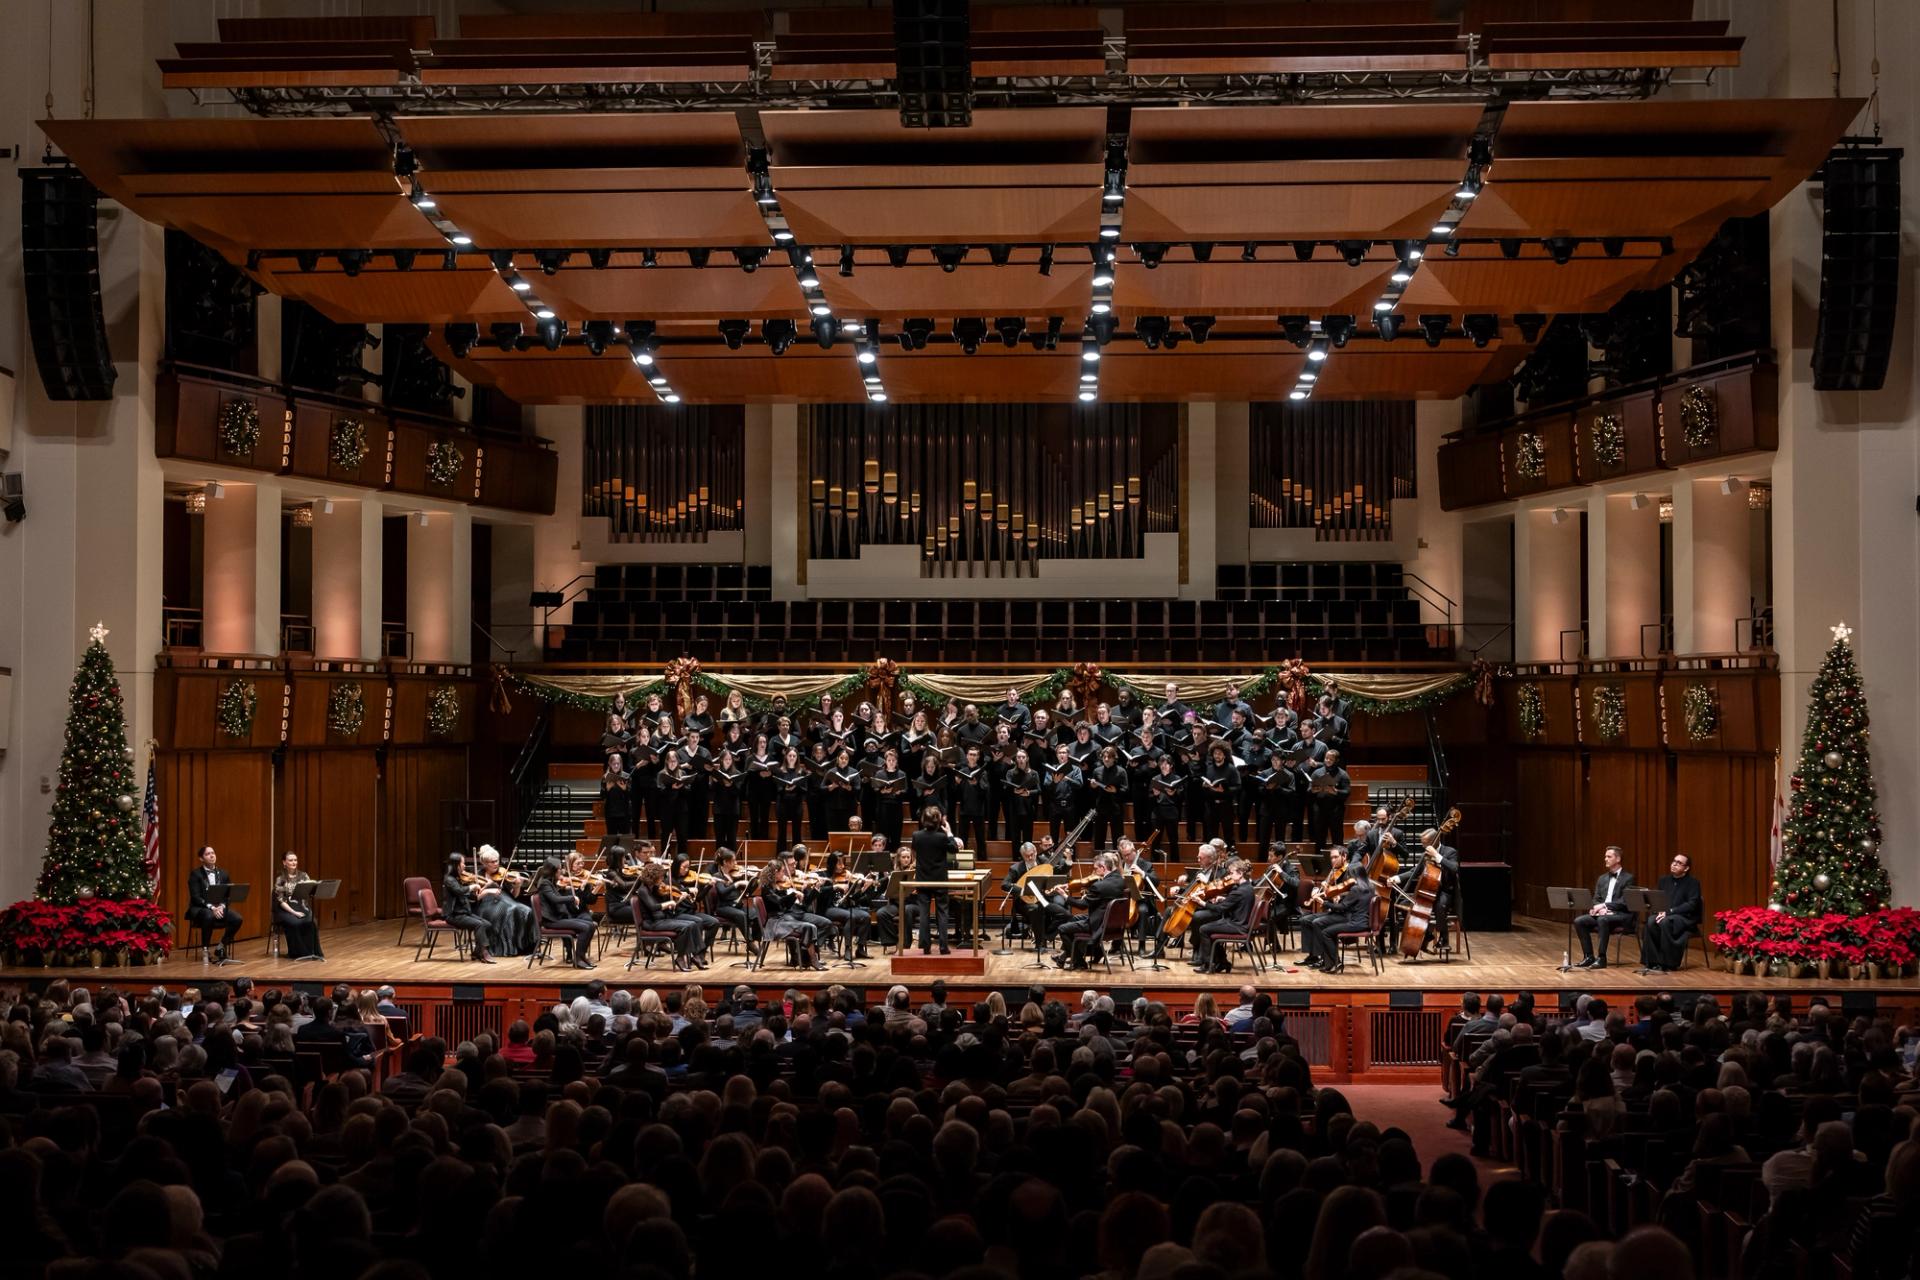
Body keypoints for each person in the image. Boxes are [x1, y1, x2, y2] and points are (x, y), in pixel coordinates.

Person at [1050, 852, 1128, 970]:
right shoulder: (1120, 880)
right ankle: (1066, 956)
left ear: (1103, 868)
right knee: (1075, 919)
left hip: (1099, 925)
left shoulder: (1099, 886)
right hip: (1112, 925)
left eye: (1096, 868)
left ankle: (1079, 961)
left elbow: (1081, 905)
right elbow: (1102, 894)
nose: (1094, 871)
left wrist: (1065, 896)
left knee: (1063, 929)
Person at [1394, 826, 1460, 955]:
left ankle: (1443, 938)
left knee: (1440, 906)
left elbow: (1454, 868)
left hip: (1445, 891)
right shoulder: (1425, 854)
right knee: (1403, 905)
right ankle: (1426, 934)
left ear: (1435, 841)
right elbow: (1415, 871)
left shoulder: (1450, 852)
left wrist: (1437, 856)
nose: (1424, 847)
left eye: (1426, 844)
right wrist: (1397, 878)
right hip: (1428, 891)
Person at [632, 863, 703, 971]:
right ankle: (681, 958)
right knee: (686, 927)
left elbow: (668, 903)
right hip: (651, 923)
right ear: (654, 877)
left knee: (693, 924)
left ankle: (695, 955)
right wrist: (668, 903)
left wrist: (677, 900)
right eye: (660, 876)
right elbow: (653, 907)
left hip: (662, 919)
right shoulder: (643, 890)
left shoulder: (654, 889)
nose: (662, 879)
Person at [1639, 852, 1702, 974]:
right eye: (1674, 861)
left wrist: (1670, 911)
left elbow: (1692, 904)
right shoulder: (1664, 880)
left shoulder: (1693, 883)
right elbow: (1658, 899)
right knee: (1651, 921)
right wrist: (1655, 907)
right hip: (1667, 914)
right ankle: (1652, 961)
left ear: (1686, 868)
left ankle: (1668, 963)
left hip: (1684, 917)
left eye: (1679, 863)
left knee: (1666, 922)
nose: (1674, 864)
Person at [1574, 845, 1635, 969]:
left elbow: (1625, 902)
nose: (1605, 859)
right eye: (1605, 856)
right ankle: (1588, 956)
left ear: (1618, 859)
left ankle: (1601, 958)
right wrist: (1596, 907)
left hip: (1621, 915)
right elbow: (1596, 898)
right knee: (1579, 921)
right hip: (1602, 913)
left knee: (1603, 919)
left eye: (1609, 856)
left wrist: (1605, 906)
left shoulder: (1628, 878)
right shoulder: (1602, 878)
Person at [911, 804, 959, 954]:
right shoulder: (942, 837)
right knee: (942, 913)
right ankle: (943, 947)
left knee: (924, 913)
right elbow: (955, 849)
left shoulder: (916, 835)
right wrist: (949, 832)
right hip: (939, 879)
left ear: (924, 820)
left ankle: (925, 947)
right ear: (939, 821)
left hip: (923, 879)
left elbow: (915, 850)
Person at [534, 856, 597, 970]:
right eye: (559, 869)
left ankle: (581, 958)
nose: (561, 871)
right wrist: (572, 898)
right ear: (553, 870)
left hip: (558, 918)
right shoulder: (544, 883)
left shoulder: (550, 882)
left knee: (591, 925)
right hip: (552, 921)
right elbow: (554, 899)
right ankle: (578, 960)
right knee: (586, 928)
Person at [1196, 859, 1257, 973]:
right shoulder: (1247, 887)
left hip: (1237, 926)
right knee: (1210, 930)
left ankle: (1208, 964)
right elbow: (1236, 902)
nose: (1229, 875)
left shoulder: (1238, 891)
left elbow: (1220, 909)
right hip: (1240, 923)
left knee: (1203, 929)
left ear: (1240, 874)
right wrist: (1225, 899)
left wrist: (1202, 903)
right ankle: (1223, 963)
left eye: (1232, 873)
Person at [473, 844, 534, 956]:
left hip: (507, 901)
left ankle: (523, 946)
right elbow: (475, 898)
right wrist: (487, 889)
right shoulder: (479, 875)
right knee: (508, 912)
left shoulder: (503, 874)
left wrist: (517, 886)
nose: (496, 863)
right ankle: (506, 948)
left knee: (525, 910)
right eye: (492, 862)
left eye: (497, 861)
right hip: (486, 905)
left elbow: (514, 896)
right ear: (485, 863)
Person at [187, 845, 244, 960]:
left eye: (213, 853)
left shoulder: (224, 874)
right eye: (207, 854)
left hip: (219, 907)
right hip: (201, 908)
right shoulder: (196, 874)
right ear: (201, 858)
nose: (212, 855)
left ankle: (221, 946)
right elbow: (195, 897)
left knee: (237, 918)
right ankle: (205, 949)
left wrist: (222, 906)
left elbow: (228, 895)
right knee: (209, 915)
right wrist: (212, 908)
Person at [439, 853, 496, 964]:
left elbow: (471, 896)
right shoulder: (449, 879)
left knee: (487, 924)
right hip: (453, 915)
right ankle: (484, 953)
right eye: (463, 863)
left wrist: (483, 888)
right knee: (479, 924)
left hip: (464, 913)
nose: (465, 865)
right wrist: (471, 887)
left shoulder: (458, 879)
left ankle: (476, 952)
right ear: (456, 865)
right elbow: (460, 890)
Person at [271, 850, 322, 960]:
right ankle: (298, 953)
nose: (294, 862)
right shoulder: (281, 878)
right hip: (285, 909)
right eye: (290, 860)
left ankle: (311, 952)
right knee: (295, 922)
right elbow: (281, 901)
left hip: (301, 906)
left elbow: (309, 893)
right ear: (284, 863)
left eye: (295, 860)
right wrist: (294, 913)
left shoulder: (303, 875)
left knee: (312, 922)